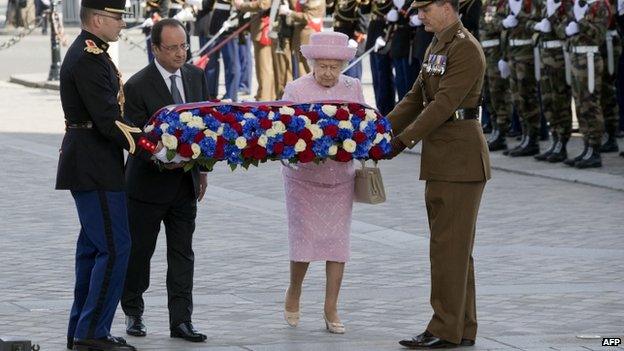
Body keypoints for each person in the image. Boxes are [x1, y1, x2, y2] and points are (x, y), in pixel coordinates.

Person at [55, 0, 171, 349]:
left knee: (93, 250)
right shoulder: (88, 58)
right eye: (118, 18)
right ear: (99, 19)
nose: (122, 24)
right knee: (115, 248)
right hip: (94, 165)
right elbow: (108, 120)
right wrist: (153, 147)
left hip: (94, 162)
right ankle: (92, 333)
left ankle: (82, 328)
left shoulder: (94, 53)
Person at [384, 0, 490, 347]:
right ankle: (462, 327)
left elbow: (444, 104)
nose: (420, 15)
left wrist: (402, 141)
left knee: (448, 247)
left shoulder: (465, 48)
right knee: (453, 249)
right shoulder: (438, 43)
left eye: (425, 8)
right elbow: (415, 97)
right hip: (444, 157)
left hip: (460, 158)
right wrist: (378, 131)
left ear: (447, 6)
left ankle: (444, 329)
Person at [120, 19, 209, 342]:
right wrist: (161, 156)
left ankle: (181, 321)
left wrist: (203, 169)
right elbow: (136, 136)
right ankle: (133, 311)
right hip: (146, 186)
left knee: (182, 253)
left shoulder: (197, 77)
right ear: (155, 48)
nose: (179, 53)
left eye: (183, 45)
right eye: (171, 48)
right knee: (139, 252)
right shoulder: (137, 85)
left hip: (185, 184)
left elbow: (207, 127)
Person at [281, 31, 365, 335]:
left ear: (343, 65)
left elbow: (364, 127)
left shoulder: (353, 87)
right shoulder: (296, 89)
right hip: (303, 178)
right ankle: (294, 291)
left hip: (340, 177)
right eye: (323, 66)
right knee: (304, 241)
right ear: (312, 63)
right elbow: (281, 135)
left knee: (337, 244)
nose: (328, 73)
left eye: (335, 67)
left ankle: (331, 307)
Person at [564, 0, 610, 168]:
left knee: (591, 105)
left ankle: (595, 150)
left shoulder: (600, 6)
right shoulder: (577, 4)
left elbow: (599, 35)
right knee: (580, 106)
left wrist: (580, 22)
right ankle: (586, 147)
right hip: (576, 59)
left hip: (589, 59)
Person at [233, 0, 277, 100]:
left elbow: (264, 3)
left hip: (264, 29)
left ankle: (265, 97)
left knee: (264, 67)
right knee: (262, 67)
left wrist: (242, 5)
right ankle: (263, 93)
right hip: (260, 28)